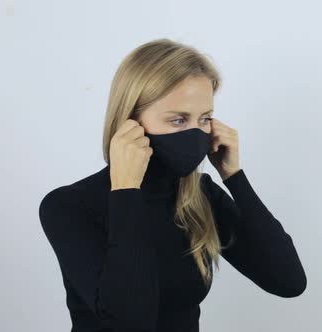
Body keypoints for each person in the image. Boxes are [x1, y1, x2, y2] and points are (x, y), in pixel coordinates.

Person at [38, 38, 307, 332]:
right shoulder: (69, 206)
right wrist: (126, 191)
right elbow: (130, 322)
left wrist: (235, 178)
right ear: (130, 123)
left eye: (204, 119)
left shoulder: (200, 197)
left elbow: (288, 281)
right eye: (178, 120)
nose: (195, 134)